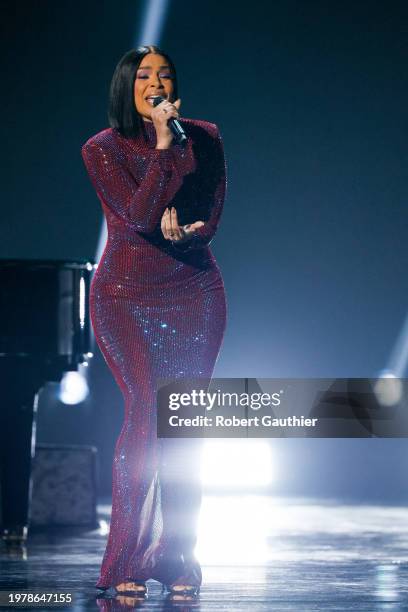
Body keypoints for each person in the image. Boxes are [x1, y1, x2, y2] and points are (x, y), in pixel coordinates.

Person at [81, 45, 227, 598]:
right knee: (146, 413)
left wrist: (192, 234)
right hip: (124, 296)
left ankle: (179, 557)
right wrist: (165, 148)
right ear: (127, 86)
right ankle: (123, 561)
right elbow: (140, 216)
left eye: (164, 74)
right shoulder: (101, 149)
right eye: (144, 75)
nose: (156, 82)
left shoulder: (207, 136)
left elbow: (211, 213)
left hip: (194, 292)